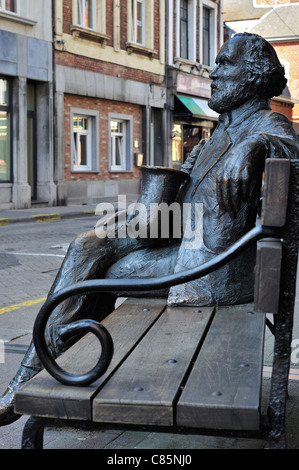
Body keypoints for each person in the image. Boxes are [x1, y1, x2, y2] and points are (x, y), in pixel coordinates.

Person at [1, 32, 299, 426]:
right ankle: (48, 373)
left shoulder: (266, 123)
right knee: (88, 246)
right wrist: (132, 218)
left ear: (255, 76)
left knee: (103, 272)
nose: (214, 72)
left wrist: (255, 146)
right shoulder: (217, 134)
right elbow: (175, 202)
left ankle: (41, 378)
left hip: (211, 268)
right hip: (183, 239)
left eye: (225, 63)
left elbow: (290, 148)